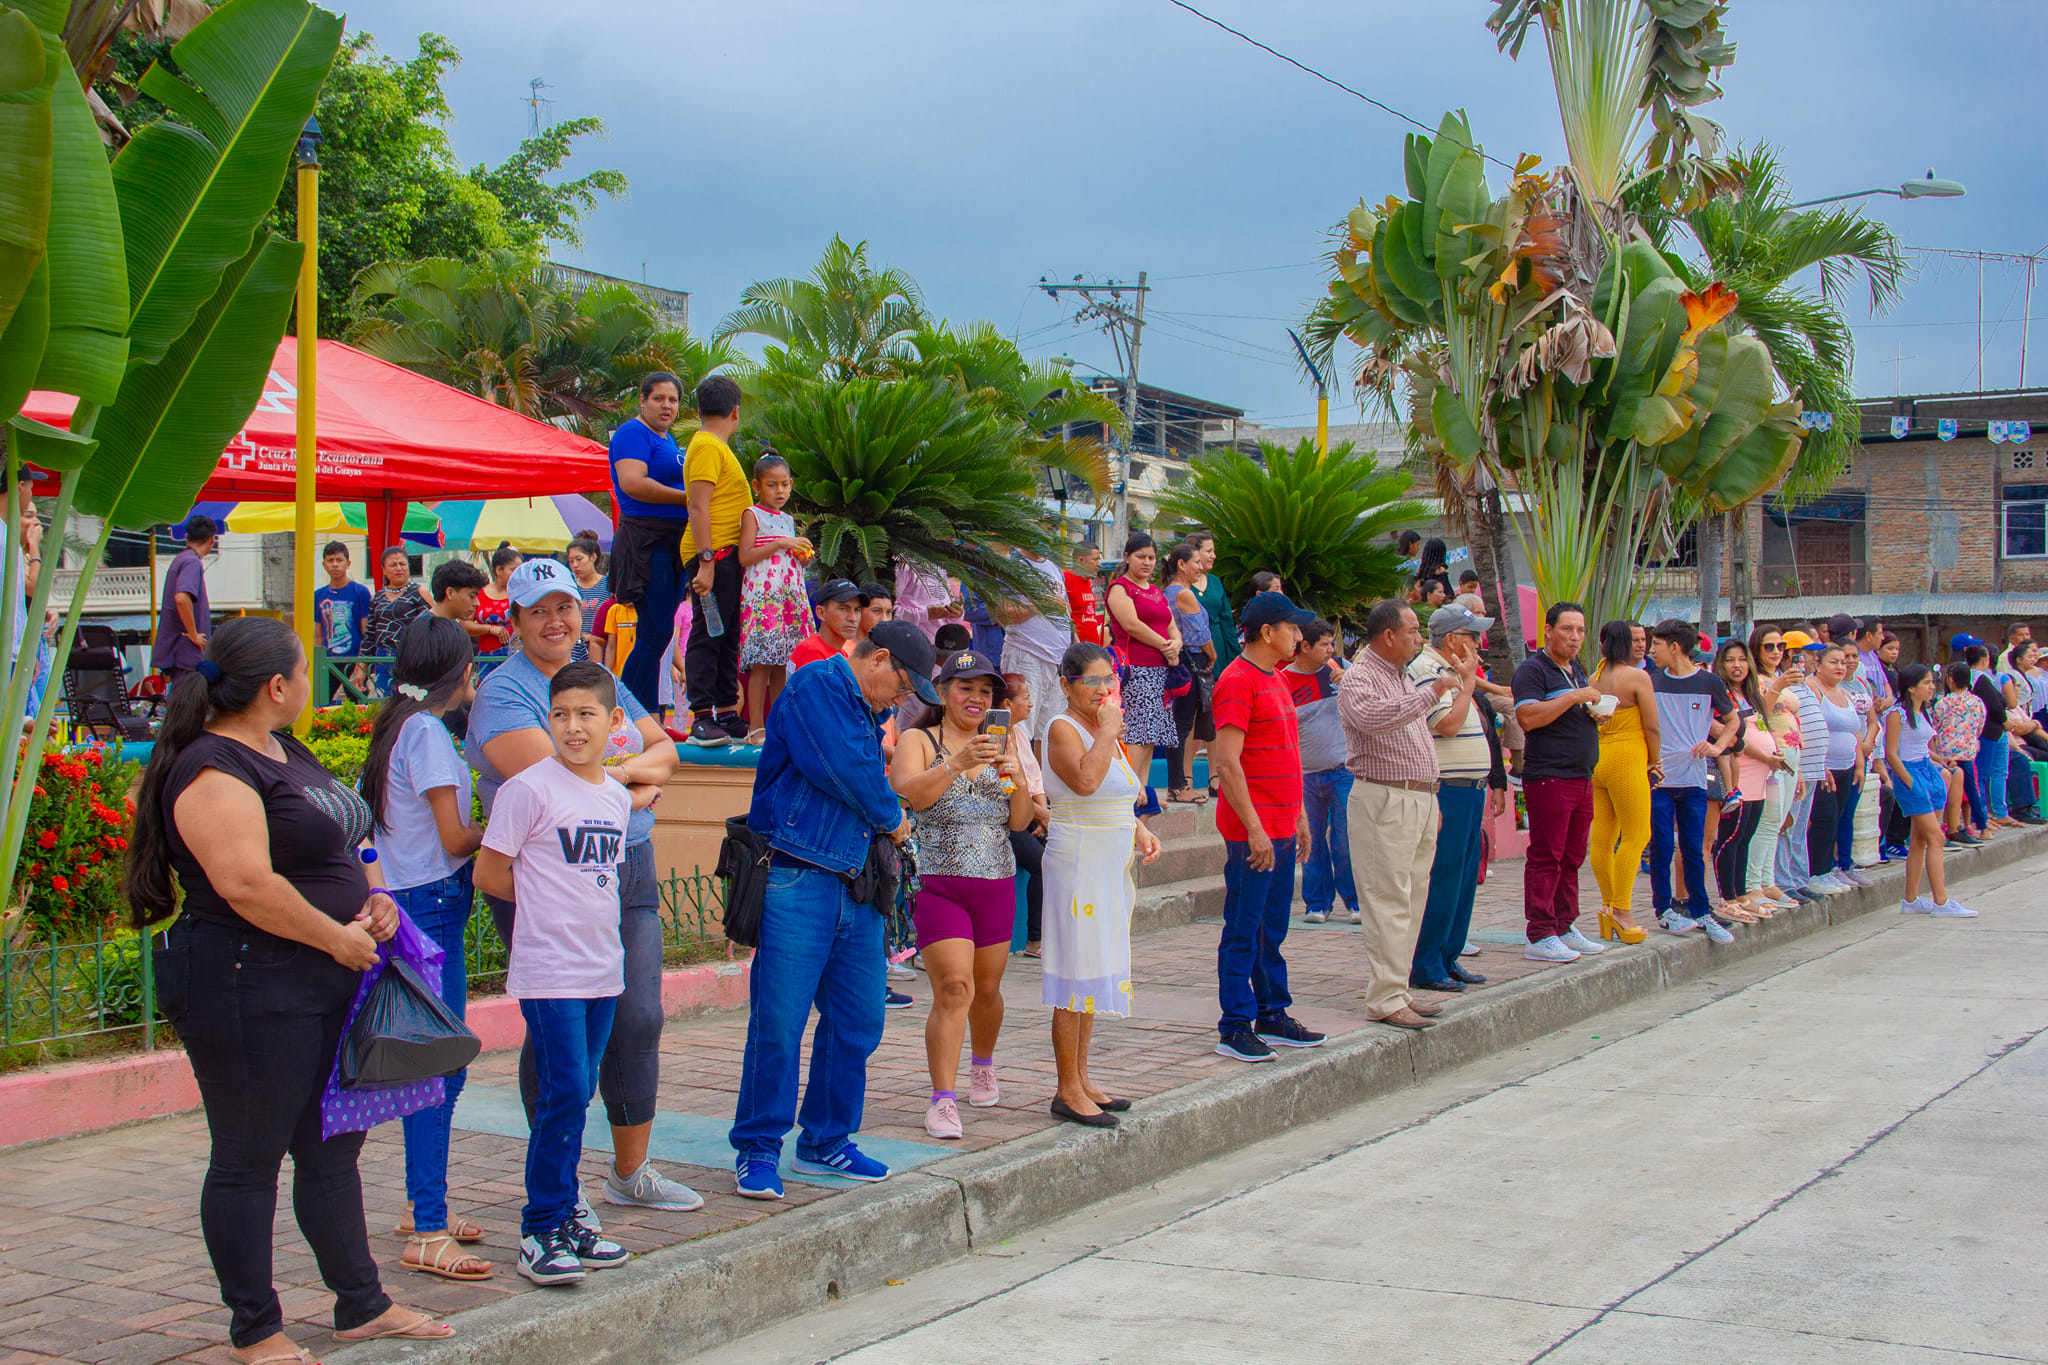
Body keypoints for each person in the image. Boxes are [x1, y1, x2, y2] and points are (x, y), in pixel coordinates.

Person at [123, 617, 451, 1361]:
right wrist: (334, 936)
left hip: (325, 978)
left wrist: (376, 896)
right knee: (250, 1155)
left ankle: (361, 1304)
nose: (309, 681)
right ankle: (256, 1329)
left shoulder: (282, 748)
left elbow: (350, 836)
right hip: (247, 982)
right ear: (278, 685)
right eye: (305, 670)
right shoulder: (212, 767)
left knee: (329, 1147)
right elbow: (244, 883)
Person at [465, 558, 698, 1217]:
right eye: (538, 610)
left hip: (629, 861)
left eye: (564, 606)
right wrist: (631, 781)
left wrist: (616, 777)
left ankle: (630, 1171)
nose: (555, 621)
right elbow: (562, 781)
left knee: (639, 1016)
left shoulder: (603, 679)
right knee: (558, 1030)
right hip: (546, 879)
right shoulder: (504, 694)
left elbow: (667, 751)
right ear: (514, 621)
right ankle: (559, 1190)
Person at [729, 621, 934, 1198]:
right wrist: (894, 817)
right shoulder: (818, 683)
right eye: (903, 685)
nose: (901, 699)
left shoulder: (861, 705)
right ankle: (758, 1147)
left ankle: (825, 1140)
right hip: (799, 875)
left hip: (853, 883)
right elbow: (847, 770)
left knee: (859, 1019)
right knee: (779, 1024)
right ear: (880, 658)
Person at [473, 662, 637, 1285]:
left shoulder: (614, 797)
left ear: (613, 721)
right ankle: (540, 1228)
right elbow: (490, 874)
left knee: (578, 1092)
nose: (573, 727)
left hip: (603, 969)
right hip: (549, 971)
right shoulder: (528, 790)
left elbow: (601, 880)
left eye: (586, 714)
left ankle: (568, 1218)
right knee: (562, 1093)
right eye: (561, 715)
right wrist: (545, 902)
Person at [359, 616, 489, 1282]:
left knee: (437, 1064)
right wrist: (507, 824)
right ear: (460, 672)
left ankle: (422, 1205)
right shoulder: (430, 734)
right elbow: (454, 838)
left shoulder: (399, 726)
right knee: (439, 1068)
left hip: (413, 901)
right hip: (431, 903)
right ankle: (429, 1227)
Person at [891, 651, 1033, 1139]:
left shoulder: (1002, 742)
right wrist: (956, 763)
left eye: (985, 691)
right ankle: (943, 1099)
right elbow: (909, 794)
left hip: (995, 881)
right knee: (955, 987)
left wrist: (1016, 776)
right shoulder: (919, 739)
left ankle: (983, 1064)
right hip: (938, 882)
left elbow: (1019, 821)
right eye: (965, 687)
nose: (976, 698)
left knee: (987, 990)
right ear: (942, 691)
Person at [1043, 641, 1161, 1124]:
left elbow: (1117, 795)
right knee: (1073, 973)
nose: (1102, 688)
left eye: (1108, 679)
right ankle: (1066, 1089)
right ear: (1067, 684)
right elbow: (1085, 783)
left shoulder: (1101, 728)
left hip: (1109, 863)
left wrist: (1139, 829)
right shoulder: (1063, 727)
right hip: (1078, 861)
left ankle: (1083, 1077)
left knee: (1093, 971)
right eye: (1090, 680)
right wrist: (1110, 731)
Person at [1342, 598, 1469, 1028]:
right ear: (1388, 635)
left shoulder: (1399, 675)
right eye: (1413, 631)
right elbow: (1371, 718)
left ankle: (1398, 990)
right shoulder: (1361, 676)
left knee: (1411, 898)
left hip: (1419, 797)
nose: (1419, 639)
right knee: (1387, 900)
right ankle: (1385, 998)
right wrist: (1433, 692)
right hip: (1385, 797)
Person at [1207, 591, 1320, 1059]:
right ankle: (1235, 1025)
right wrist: (1255, 828)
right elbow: (1228, 763)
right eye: (1292, 628)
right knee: (1243, 927)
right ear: (1267, 632)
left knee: (1271, 927)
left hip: (1282, 824)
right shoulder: (1237, 681)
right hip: (1251, 831)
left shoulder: (1275, 678)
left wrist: (1299, 817)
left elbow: (1288, 753)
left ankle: (1272, 1013)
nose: (1299, 635)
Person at [1513, 602, 1611, 959]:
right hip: (1550, 777)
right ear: (1549, 630)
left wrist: (1593, 713)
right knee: (1547, 856)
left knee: (1572, 857)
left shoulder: (1575, 669)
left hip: (1581, 776)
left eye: (1580, 630)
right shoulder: (1533, 670)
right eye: (1567, 629)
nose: (1575, 637)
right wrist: (1574, 697)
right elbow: (1527, 717)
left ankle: (1564, 925)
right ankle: (1539, 933)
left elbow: (1570, 710)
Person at [1407, 604, 1496, 991]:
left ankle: (1448, 956)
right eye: (1471, 635)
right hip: (1449, 788)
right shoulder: (1429, 669)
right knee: (1443, 877)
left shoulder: (1454, 671)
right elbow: (1447, 725)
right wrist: (1469, 685)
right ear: (1451, 639)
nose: (1477, 643)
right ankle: (1427, 963)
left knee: (1463, 877)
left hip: (1469, 788)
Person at [1645, 618, 1740, 940]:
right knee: (1661, 847)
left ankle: (1702, 911)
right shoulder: (1651, 681)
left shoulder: (1710, 683)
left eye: (1657, 644)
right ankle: (1664, 910)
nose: (1651, 650)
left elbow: (1733, 721)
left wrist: (1717, 746)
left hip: (1695, 780)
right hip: (1659, 780)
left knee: (1694, 849)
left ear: (1675, 647)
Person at [673, 375, 753, 744]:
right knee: (709, 634)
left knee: (728, 635)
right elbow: (697, 506)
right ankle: (702, 716)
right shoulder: (706, 445)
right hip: (714, 555)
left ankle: (726, 711)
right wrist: (706, 562)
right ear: (736, 412)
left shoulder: (713, 445)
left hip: (727, 557)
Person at [607, 372, 692, 715]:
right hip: (646, 541)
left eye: (673, 400)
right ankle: (623, 711)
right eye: (659, 398)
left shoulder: (668, 440)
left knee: (655, 633)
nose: (667, 406)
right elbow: (632, 483)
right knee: (656, 632)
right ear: (643, 401)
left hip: (674, 542)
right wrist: (688, 499)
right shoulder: (632, 433)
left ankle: (645, 715)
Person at [1587, 620, 1660, 942]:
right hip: (1628, 757)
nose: (1641, 645)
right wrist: (1655, 759)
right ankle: (1621, 909)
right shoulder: (1636, 676)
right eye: (1636, 640)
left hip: (1598, 758)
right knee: (1637, 834)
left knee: (1603, 837)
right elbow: (1652, 726)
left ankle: (1608, 906)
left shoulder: (1593, 678)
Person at [1886, 663, 1975, 918]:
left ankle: (1911, 899)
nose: (1932, 687)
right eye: (1926, 683)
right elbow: (1892, 753)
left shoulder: (1922, 712)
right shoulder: (1897, 714)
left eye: (1932, 682)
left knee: (1920, 840)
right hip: (1911, 776)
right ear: (1911, 687)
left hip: (1928, 771)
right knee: (1937, 838)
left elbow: (1921, 746)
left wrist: (1939, 759)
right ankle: (1941, 901)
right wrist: (1910, 783)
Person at [1286, 619, 1358, 926]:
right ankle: (1317, 903)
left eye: (1332, 644)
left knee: (1345, 839)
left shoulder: (1342, 668)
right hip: (1304, 775)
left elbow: (1371, 698)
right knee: (1310, 840)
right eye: (1325, 644)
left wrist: (1350, 682)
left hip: (1343, 770)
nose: (1331, 649)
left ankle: (1355, 902)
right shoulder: (1284, 679)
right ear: (1305, 646)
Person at [1105, 534, 1183, 814]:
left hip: (1160, 671)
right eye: (1141, 556)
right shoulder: (1120, 588)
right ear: (1127, 557)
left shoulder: (1156, 591)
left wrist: (1175, 645)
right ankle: (1129, 795)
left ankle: (1142, 790)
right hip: (1135, 670)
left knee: (1150, 734)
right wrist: (1165, 645)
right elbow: (1131, 624)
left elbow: (1172, 626)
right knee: (1137, 733)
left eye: (1151, 557)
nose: (1147, 562)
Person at [737, 451, 814, 732]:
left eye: (784, 484)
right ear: (757, 486)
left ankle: (778, 726)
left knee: (782, 662)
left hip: (788, 597)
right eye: (772, 485)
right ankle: (756, 727)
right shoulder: (752, 515)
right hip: (764, 597)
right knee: (762, 662)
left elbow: (790, 558)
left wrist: (802, 557)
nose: (779, 491)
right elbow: (745, 556)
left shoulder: (788, 520)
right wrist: (781, 543)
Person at [998, 541, 1074, 761]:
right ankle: (1016, 780)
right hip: (1027, 654)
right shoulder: (1013, 564)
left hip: (1057, 661)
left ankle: (1039, 781)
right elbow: (1003, 614)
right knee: (1020, 727)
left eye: (1050, 527)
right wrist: (1042, 604)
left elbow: (1065, 611)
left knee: (1049, 731)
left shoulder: (1053, 567)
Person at [1803, 644, 1869, 894]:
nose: (1841, 666)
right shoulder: (1812, 688)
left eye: (1843, 662)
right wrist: (1819, 763)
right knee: (1824, 819)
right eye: (1834, 662)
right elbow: (1808, 727)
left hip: (1847, 767)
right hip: (1823, 768)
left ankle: (1828, 869)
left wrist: (1860, 765)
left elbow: (1855, 732)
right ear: (1818, 664)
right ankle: (1815, 873)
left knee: (1838, 819)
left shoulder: (1845, 693)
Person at [1001, 671, 1053, 957]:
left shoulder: (1020, 734)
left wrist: (1041, 811)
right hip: (1008, 819)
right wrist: (1038, 814)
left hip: (1031, 815)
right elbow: (1006, 787)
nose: (1031, 704)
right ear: (1007, 704)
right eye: (1026, 698)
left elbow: (1034, 778)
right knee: (1042, 864)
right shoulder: (996, 738)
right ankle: (1035, 940)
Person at [1161, 542, 1215, 805]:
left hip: (1178, 663)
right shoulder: (1185, 594)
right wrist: (1213, 655)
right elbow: (1200, 635)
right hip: (1191, 662)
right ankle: (1178, 785)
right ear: (1181, 564)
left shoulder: (1168, 592)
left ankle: (1178, 783)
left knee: (1179, 725)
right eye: (1196, 562)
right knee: (1181, 726)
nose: (1200, 567)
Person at [152, 515, 215, 688]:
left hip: (179, 651)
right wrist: (193, 634)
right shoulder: (192, 562)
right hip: (187, 653)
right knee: (188, 700)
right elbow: (181, 598)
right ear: (212, 540)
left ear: (187, 537)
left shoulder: (181, 559)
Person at [362, 545, 430, 694]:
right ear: (384, 569)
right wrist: (361, 667)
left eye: (402, 564)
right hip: (382, 660)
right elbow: (370, 636)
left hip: (410, 659)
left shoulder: (419, 593)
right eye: (393, 565)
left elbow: (432, 627)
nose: (399, 568)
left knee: (408, 701)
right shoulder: (377, 598)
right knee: (384, 702)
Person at [1934, 660, 1988, 844]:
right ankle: (1983, 827)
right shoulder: (1977, 702)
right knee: (1972, 790)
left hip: (1946, 753)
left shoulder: (1943, 703)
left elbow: (1936, 726)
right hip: (1967, 751)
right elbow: (1979, 726)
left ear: (1951, 680)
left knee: (1947, 790)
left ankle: (1945, 824)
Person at [313, 540, 371, 698]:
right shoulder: (318, 595)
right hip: (328, 661)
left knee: (357, 702)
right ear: (324, 564)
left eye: (339, 560)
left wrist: (362, 664)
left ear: (348, 563)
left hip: (354, 660)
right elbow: (318, 634)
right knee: (320, 702)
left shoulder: (361, 592)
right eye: (330, 560)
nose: (335, 565)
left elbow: (366, 632)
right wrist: (317, 663)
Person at [1184, 531, 1239, 680]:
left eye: (1213, 551)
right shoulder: (1180, 585)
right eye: (1208, 551)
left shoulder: (1215, 581)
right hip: (1193, 651)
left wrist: (1236, 654)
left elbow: (1227, 621)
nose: (1213, 556)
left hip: (1219, 647)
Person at [790, 579, 866, 671]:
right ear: (821, 613)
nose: (853, 618)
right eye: (843, 608)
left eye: (857, 610)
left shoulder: (840, 654)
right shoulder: (812, 652)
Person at [565, 533, 609, 664]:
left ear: (593, 557)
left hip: (602, 651)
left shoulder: (608, 586)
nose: (575, 565)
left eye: (579, 559)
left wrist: (594, 636)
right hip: (573, 653)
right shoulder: (569, 587)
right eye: (571, 561)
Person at [474, 546, 520, 656]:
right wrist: (490, 629)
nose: (517, 574)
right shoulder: (480, 594)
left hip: (516, 655)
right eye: (513, 570)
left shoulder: (521, 594)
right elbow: (465, 624)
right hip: (487, 657)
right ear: (498, 570)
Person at [1065, 543, 1107, 647]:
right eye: (1095, 560)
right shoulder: (1065, 578)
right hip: (1076, 649)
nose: (1099, 564)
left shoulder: (1087, 581)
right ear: (1081, 560)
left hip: (1092, 649)